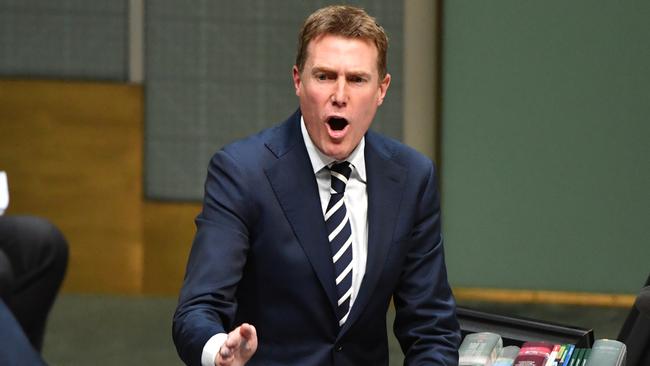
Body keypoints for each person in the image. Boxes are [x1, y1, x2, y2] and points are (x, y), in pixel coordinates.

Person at [173, 5, 460, 366]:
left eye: (357, 79)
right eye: (324, 76)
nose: (340, 95)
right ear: (298, 80)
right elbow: (198, 308)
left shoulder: (412, 178)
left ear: (381, 89)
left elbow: (431, 327)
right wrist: (219, 351)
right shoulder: (242, 172)